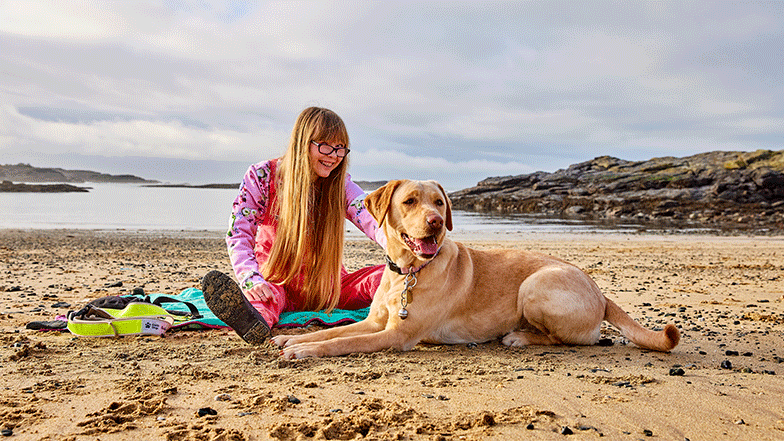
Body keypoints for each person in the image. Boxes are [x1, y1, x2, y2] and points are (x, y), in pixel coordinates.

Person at [201, 107, 386, 345]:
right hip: (277, 281)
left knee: (386, 276)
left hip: (329, 287)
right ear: (302, 142)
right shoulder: (262, 176)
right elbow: (239, 232)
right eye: (325, 146)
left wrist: (404, 249)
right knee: (263, 299)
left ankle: (410, 303)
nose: (334, 155)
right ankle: (251, 323)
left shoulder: (340, 184)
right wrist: (250, 277)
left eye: (340, 148)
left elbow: (371, 218)